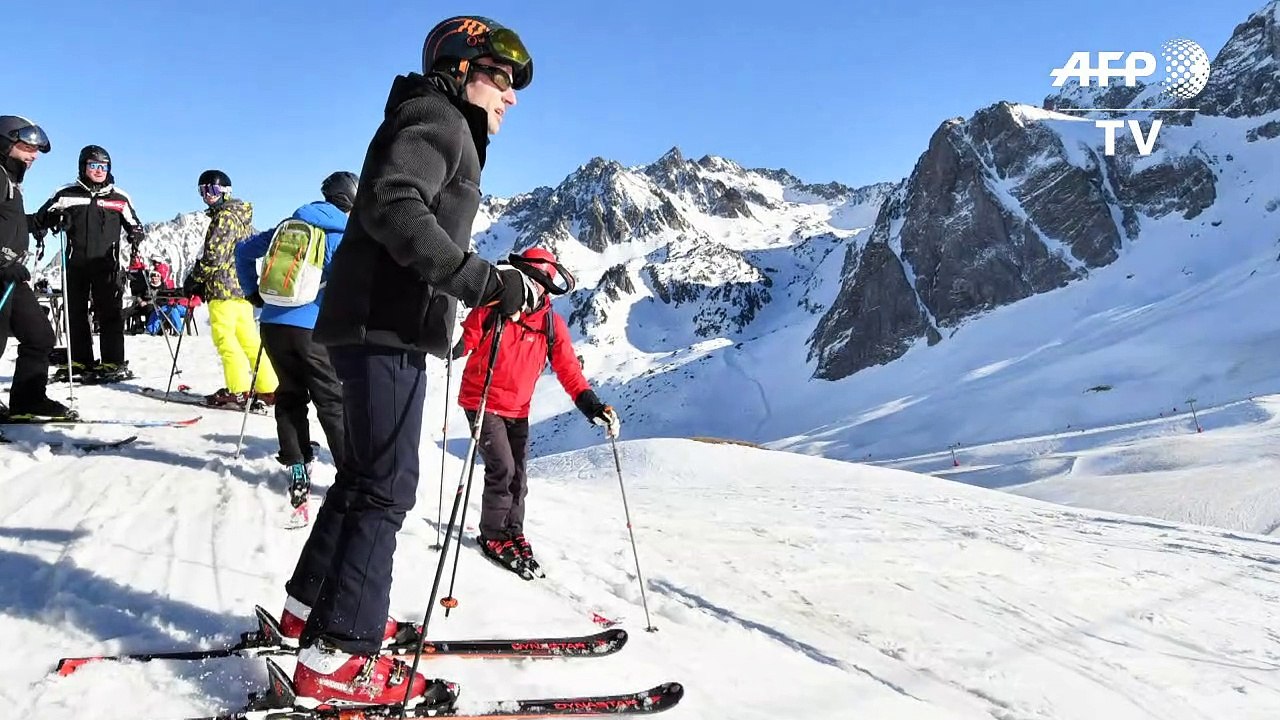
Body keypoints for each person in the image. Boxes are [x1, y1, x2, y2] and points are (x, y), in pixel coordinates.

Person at [282, 15, 539, 708]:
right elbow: (396, 206)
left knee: (365, 478)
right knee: (388, 487)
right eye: (500, 78)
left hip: (379, 324)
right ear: (461, 69)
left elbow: (399, 222)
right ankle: (342, 656)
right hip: (380, 330)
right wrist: (483, 281)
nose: (511, 96)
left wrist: (446, 310)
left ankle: (314, 615)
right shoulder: (438, 117)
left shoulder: (433, 121)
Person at [455, 246, 619, 577]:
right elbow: (463, 342)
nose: (541, 288)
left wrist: (591, 405)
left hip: (518, 409)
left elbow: (569, 370)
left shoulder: (550, 324)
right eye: (539, 280)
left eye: (547, 282)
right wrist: (447, 341)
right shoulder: (493, 310)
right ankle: (493, 535)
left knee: (519, 476)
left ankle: (512, 532)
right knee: (502, 469)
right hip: (482, 401)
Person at [234, 171, 355, 500]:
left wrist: (253, 293)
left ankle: (297, 462)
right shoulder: (338, 235)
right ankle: (350, 473)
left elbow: (242, 252)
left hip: (272, 324)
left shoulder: (287, 228)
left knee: (289, 394)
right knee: (330, 400)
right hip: (312, 328)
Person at [33, 145, 144, 383]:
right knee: (76, 312)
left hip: (107, 264)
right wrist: (55, 219)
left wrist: (136, 233)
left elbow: (135, 223)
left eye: (103, 166)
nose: (98, 171)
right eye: (94, 165)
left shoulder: (119, 198)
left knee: (110, 313)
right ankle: (80, 360)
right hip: (76, 264)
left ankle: (112, 361)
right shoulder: (66, 194)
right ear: (83, 166)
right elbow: (43, 218)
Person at [184, 169, 278, 408]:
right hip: (241, 289)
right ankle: (269, 387)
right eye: (203, 190)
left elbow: (214, 256)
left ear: (225, 192)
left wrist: (196, 278)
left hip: (222, 289)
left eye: (212, 190)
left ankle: (239, 390)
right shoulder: (240, 217)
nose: (207, 195)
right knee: (248, 339)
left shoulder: (223, 217)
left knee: (226, 340)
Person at [0, 116, 69, 419]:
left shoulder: (9, 180)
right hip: (2, 273)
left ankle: (28, 400)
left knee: (39, 335)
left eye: (36, 149)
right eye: (27, 147)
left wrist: (41, 223)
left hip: (12, 276)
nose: (33, 156)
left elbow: (9, 223)